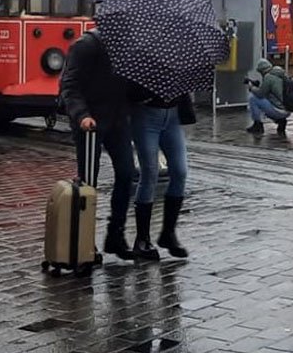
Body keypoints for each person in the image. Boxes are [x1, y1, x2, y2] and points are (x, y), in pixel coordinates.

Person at [60, 29, 138, 261]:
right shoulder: (86, 45)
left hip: (117, 120)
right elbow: (69, 86)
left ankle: (116, 235)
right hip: (90, 123)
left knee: (127, 174)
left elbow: (130, 87)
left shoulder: (129, 48)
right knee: (88, 183)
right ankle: (85, 241)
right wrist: (82, 115)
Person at [130, 86, 195, 260]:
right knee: (150, 173)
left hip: (172, 115)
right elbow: (128, 89)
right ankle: (142, 239)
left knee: (180, 171)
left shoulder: (177, 60)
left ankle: (168, 233)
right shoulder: (138, 61)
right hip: (146, 114)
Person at [245, 58, 290, 135]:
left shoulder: (268, 77)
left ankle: (257, 125)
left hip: (278, 110)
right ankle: (281, 121)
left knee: (253, 98)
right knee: (265, 102)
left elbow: (260, 94)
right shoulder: (280, 73)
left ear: (262, 70)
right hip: (288, 109)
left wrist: (251, 88)